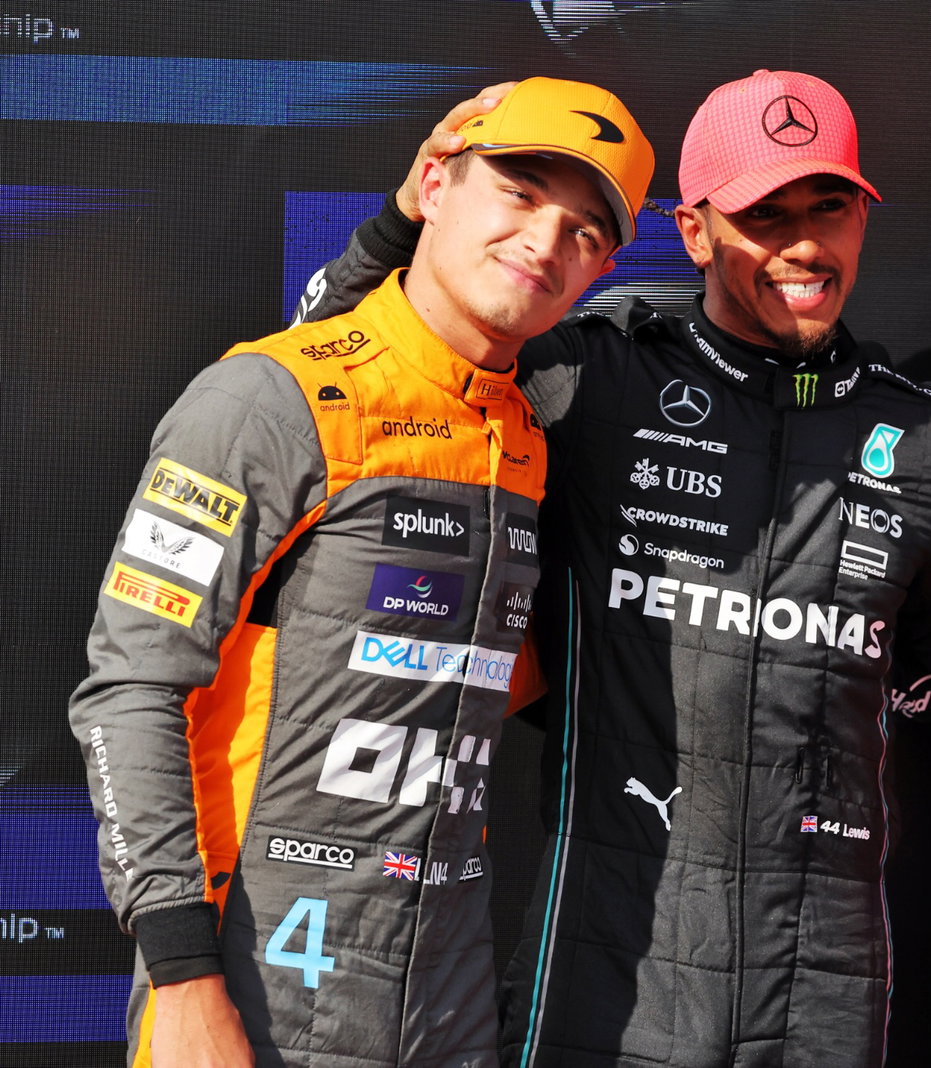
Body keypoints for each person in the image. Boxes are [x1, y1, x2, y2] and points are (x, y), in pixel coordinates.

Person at [298, 69, 931, 1066]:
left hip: (824, 974)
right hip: (607, 952)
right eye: (764, 215)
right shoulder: (591, 378)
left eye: (830, 206)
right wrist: (398, 224)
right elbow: (356, 372)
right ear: (694, 232)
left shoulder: (927, 438)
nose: (805, 243)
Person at [67, 76, 655, 1067]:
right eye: (519, 190)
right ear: (435, 180)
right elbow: (129, 690)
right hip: (256, 967)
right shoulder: (268, 397)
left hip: (448, 984)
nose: (547, 242)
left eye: (586, 231)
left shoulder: (533, 425)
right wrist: (181, 978)